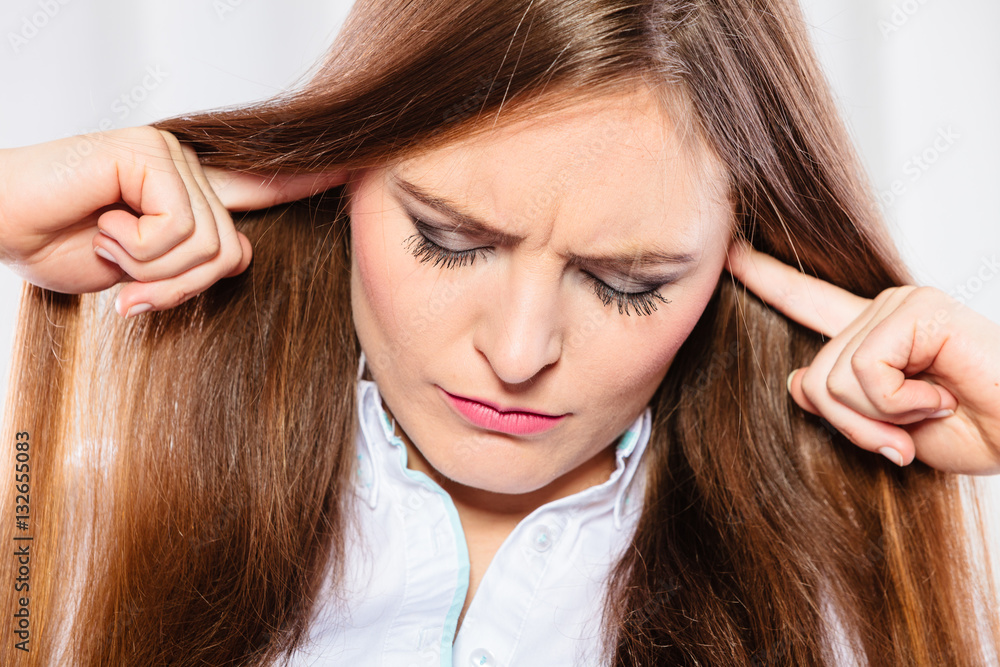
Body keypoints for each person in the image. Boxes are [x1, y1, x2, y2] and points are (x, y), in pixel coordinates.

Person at [1, 0, 999, 664]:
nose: (519, 354)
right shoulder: (88, 503)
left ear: (741, 256)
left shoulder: (834, 589)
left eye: (626, 281)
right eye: (446, 241)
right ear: (340, 176)